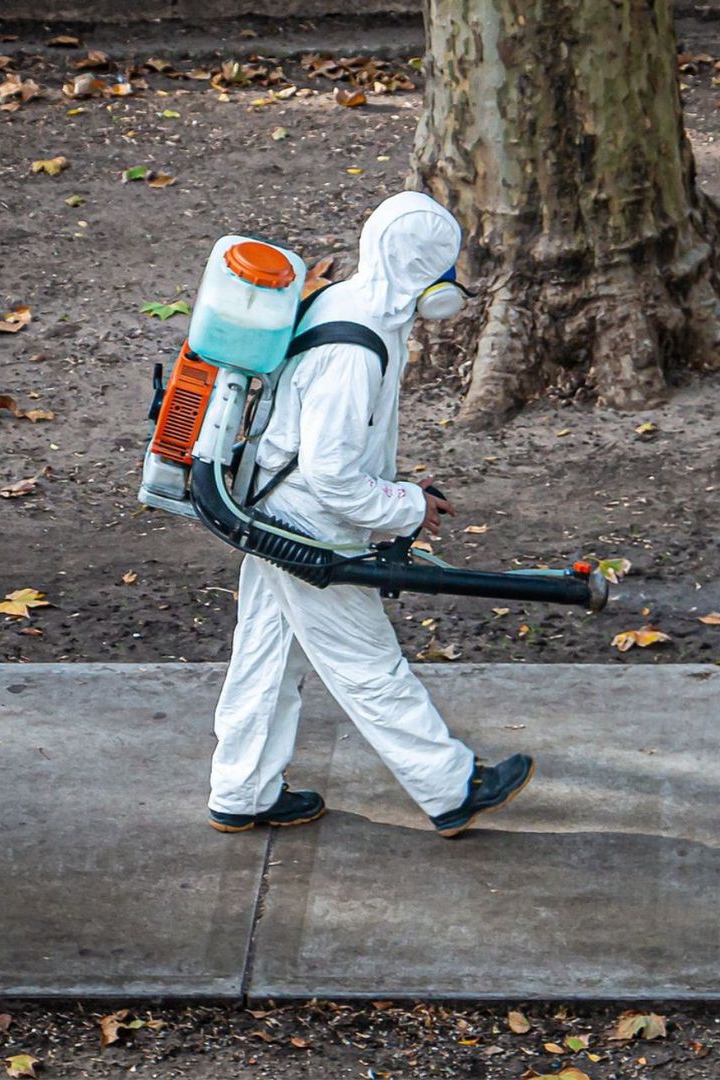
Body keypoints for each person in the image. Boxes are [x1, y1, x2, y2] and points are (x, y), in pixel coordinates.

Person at [206, 191, 533, 839]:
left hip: (269, 503)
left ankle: (241, 790)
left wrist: (398, 497)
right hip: (302, 523)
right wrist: (406, 507)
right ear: (421, 270)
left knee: (266, 656)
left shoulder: (345, 302)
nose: (450, 282)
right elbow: (331, 474)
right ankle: (450, 788)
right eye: (443, 265)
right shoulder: (356, 350)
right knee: (367, 662)